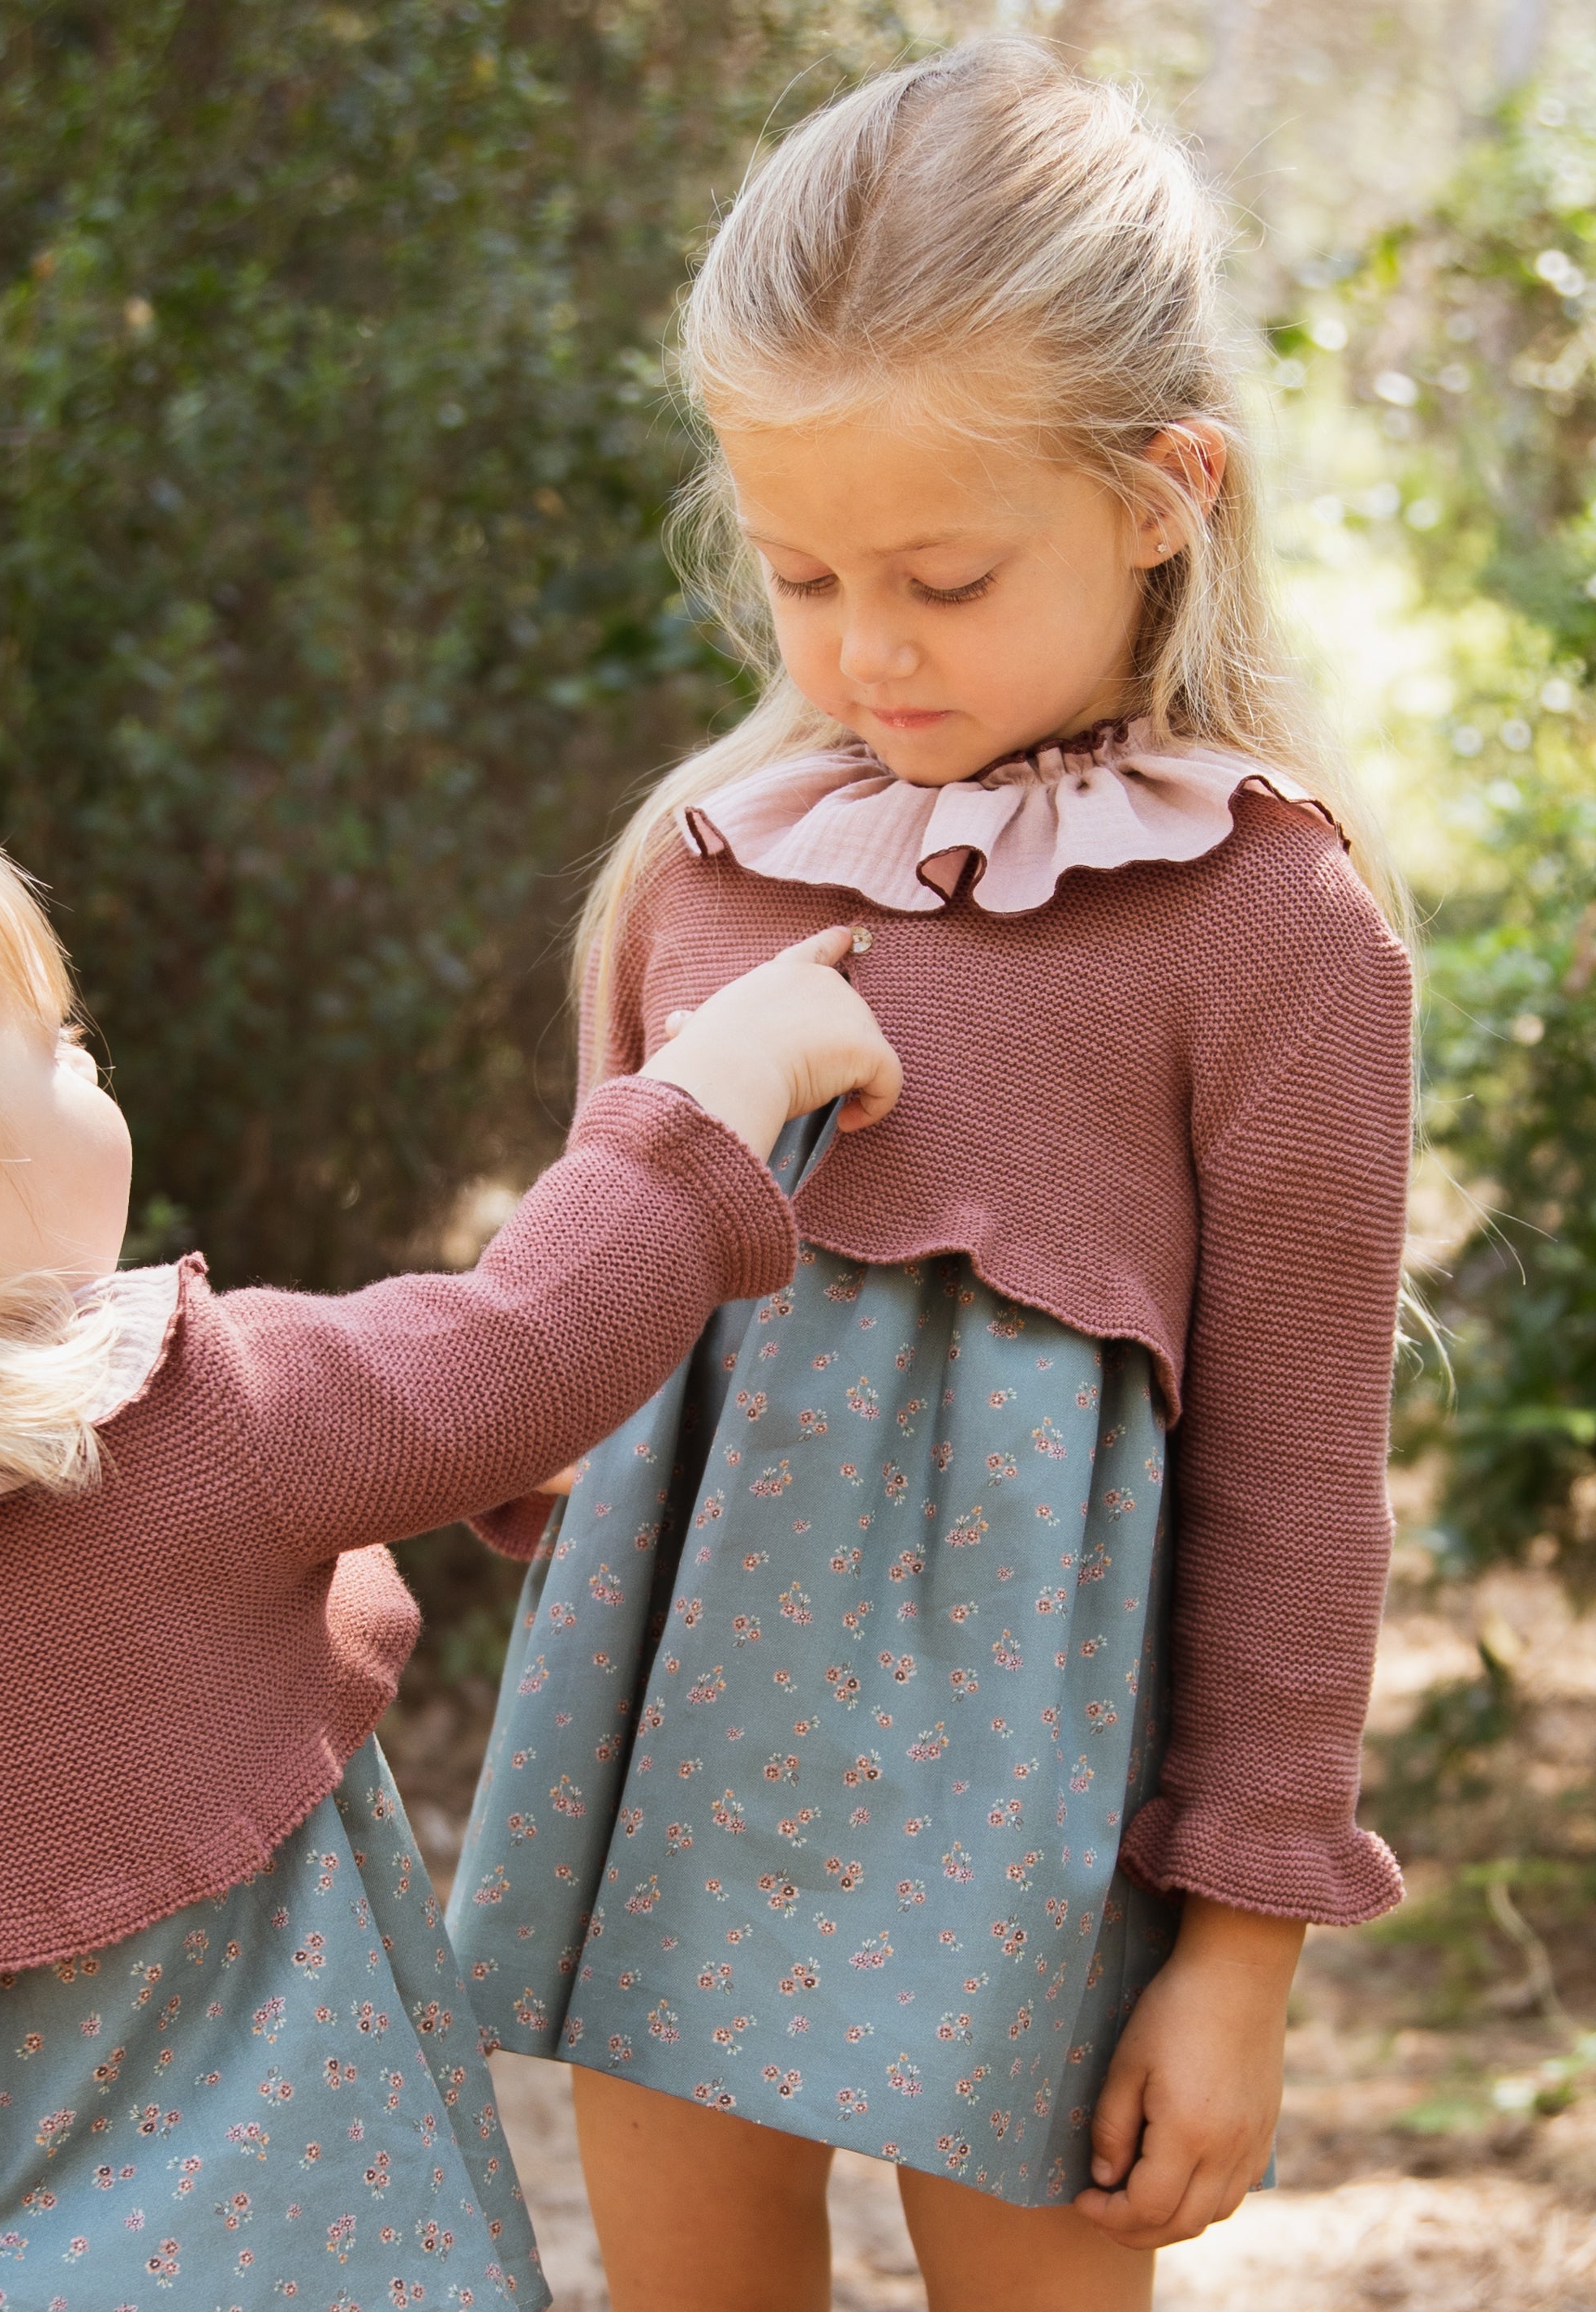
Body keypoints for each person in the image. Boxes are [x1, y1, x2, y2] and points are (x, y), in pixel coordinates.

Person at [447, 39, 1413, 2312]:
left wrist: (1241, 1952)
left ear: (1165, 491)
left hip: (1043, 1838)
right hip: (670, 1758)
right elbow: (578, 1324)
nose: (866, 653)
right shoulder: (705, 875)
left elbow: (1299, 1479)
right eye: (800, 576)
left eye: (947, 579)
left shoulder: (1270, 930)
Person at [0, 777, 901, 2312]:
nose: (90, 1060)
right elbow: (523, 1347)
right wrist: (726, 1075)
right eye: (49, 1047)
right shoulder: (190, 1415)